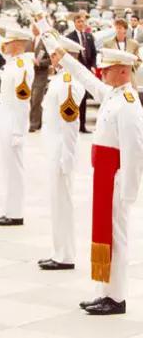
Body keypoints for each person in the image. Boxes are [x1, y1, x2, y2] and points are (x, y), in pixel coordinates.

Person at [41, 36, 143, 315]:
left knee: (117, 236)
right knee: (104, 234)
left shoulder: (129, 102)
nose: (103, 72)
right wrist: (61, 55)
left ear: (123, 71)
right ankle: (104, 291)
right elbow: (85, 77)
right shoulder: (112, 95)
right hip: (104, 175)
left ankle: (117, 297)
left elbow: (135, 150)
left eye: (108, 69)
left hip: (116, 177)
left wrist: (129, 189)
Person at [37, 37, 85, 271]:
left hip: (61, 153)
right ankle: (59, 251)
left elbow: (70, 126)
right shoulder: (60, 79)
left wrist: (67, 158)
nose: (52, 58)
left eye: (56, 54)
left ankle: (65, 255)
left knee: (63, 204)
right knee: (57, 204)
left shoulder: (68, 82)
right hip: (54, 150)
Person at [0, 29, 34, 226]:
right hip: (5, 120)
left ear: (16, 44)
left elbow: (22, 102)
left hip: (13, 124)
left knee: (15, 169)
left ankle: (16, 212)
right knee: (8, 169)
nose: (4, 46)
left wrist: (18, 131)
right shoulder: (14, 64)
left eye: (8, 43)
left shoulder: (22, 67)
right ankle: (9, 209)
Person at [66, 13, 97, 133]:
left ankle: (82, 126)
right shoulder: (70, 37)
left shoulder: (89, 37)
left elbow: (94, 54)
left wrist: (93, 66)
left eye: (83, 22)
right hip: (75, 72)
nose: (81, 24)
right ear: (75, 23)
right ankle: (73, 124)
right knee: (75, 98)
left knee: (84, 99)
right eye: (78, 22)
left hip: (86, 72)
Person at [29, 22, 51, 132]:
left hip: (41, 74)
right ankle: (39, 122)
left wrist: (40, 63)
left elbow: (51, 59)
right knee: (31, 100)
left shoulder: (45, 42)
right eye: (32, 26)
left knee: (36, 99)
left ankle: (33, 124)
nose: (33, 28)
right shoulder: (30, 40)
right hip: (30, 75)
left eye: (36, 26)